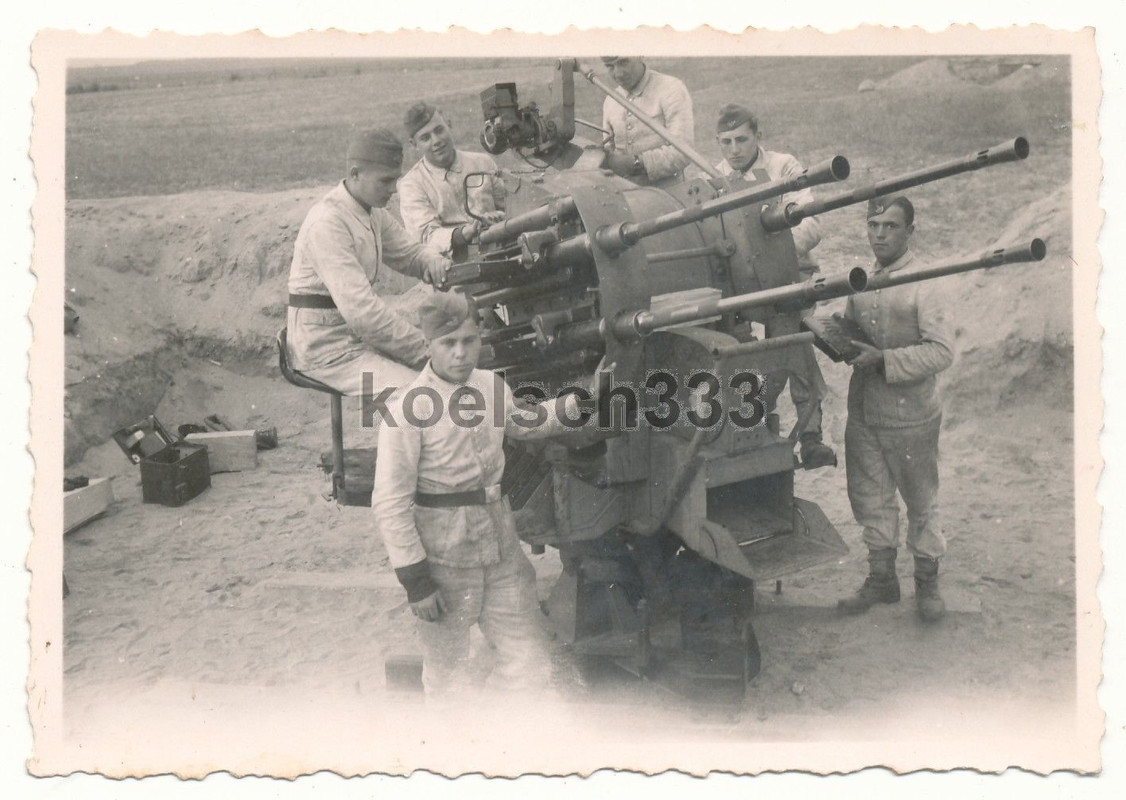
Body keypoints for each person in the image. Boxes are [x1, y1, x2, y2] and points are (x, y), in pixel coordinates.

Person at [372, 292, 599, 696]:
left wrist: (583, 400)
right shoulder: (407, 409)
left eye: (469, 341)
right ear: (429, 346)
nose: (461, 353)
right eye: (448, 344)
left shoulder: (491, 386)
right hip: (445, 556)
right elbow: (390, 502)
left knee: (527, 658)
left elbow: (526, 423)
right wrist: (416, 582)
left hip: (501, 547)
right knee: (448, 675)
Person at [838, 195, 954, 622]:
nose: (880, 234)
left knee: (921, 501)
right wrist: (830, 333)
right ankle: (882, 580)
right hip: (865, 413)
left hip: (911, 416)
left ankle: (927, 584)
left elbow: (941, 352)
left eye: (890, 226)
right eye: (873, 225)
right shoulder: (862, 278)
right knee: (871, 499)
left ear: (910, 231)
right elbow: (853, 330)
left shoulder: (927, 281)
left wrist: (884, 361)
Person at [286, 127, 451, 397]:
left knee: (445, 374)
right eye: (385, 181)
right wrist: (426, 350)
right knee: (426, 394)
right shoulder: (328, 222)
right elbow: (362, 313)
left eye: (396, 180)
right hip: (326, 351)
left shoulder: (371, 210)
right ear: (355, 175)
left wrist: (434, 262)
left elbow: (409, 254)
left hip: (355, 337)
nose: (393, 190)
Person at [714, 103, 835, 469]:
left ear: (758, 136)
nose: (734, 149)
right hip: (739, 284)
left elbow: (810, 221)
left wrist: (775, 254)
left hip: (788, 275)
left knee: (792, 342)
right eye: (726, 142)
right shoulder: (713, 178)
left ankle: (811, 434)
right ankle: (753, 422)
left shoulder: (783, 167)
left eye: (742, 140)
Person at [397, 102, 506, 261]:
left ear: (449, 125)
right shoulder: (411, 185)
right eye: (425, 138)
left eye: (439, 130)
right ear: (414, 145)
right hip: (452, 268)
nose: (436, 141)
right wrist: (465, 233)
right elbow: (425, 236)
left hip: (501, 253)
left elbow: (511, 206)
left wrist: (500, 216)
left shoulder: (483, 163)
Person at [600, 57, 694, 187]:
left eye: (623, 63)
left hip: (670, 196)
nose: (618, 74)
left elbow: (684, 152)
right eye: (609, 66)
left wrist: (635, 163)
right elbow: (608, 154)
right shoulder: (610, 100)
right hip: (625, 197)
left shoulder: (672, 89)